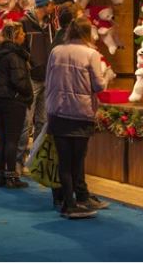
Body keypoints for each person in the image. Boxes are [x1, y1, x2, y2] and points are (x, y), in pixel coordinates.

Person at [45, 17, 107, 219]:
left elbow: (48, 79)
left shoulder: (56, 51)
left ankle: (69, 202)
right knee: (78, 160)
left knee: (64, 161)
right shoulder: (92, 54)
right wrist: (106, 76)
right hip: (80, 112)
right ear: (88, 33)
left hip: (57, 110)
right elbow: (99, 86)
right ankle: (76, 202)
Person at [17, 0, 58, 169]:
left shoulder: (51, 24)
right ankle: (18, 160)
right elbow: (20, 49)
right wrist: (30, 65)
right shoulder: (24, 23)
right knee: (26, 121)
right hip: (32, 78)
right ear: (45, 3)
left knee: (42, 121)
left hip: (47, 78)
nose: (54, 6)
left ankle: (36, 161)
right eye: (52, 3)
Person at [0, 22, 33, 188]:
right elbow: (19, 80)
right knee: (12, 139)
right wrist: (28, 94)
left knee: (3, 138)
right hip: (13, 100)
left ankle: (1, 175)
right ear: (14, 36)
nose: (24, 36)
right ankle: (11, 177)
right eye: (21, 33)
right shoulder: (15, 55)